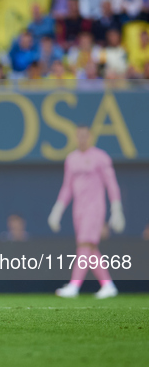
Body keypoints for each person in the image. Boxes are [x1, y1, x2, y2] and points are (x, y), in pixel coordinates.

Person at [48, 125, 125, 299]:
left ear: (90, 137)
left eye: (85, 135)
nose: (82, 139)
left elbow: (111, 183)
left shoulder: (100, 157)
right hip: (78, 210)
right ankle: (108, 285)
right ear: (75, 137)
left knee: (84, 245)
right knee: (90, 248)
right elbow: (67, 187)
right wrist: (57, 210)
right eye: (79, 136)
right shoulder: (71, 159)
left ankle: (74, 285)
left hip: (95, 208)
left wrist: (116, 208)